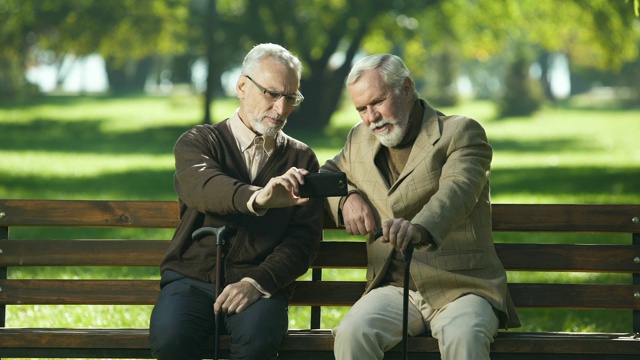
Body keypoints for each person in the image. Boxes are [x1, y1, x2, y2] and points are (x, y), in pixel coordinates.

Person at [321, 54, 521, 360]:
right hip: (393, 289)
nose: (371, 117)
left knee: (464, 339)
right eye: (361, 108)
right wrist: (348, 196)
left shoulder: (461, 133)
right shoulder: (359, 139)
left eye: (378, 101)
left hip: (462, 288)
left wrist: (418, 228)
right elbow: (327, 177)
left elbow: (457, 192)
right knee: (351, 335)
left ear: (406, 88)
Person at [149, 43, 324, 360]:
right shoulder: (199, 142)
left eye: (290, 98)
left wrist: (257, 282)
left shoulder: (301, 157)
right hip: (191, 279)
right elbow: (203, 187)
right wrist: (259, 198)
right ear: (242, 86)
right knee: (172, 340)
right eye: (272, 94)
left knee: (258, 343)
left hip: (259, 284)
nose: (281, 109)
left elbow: (304, 239)